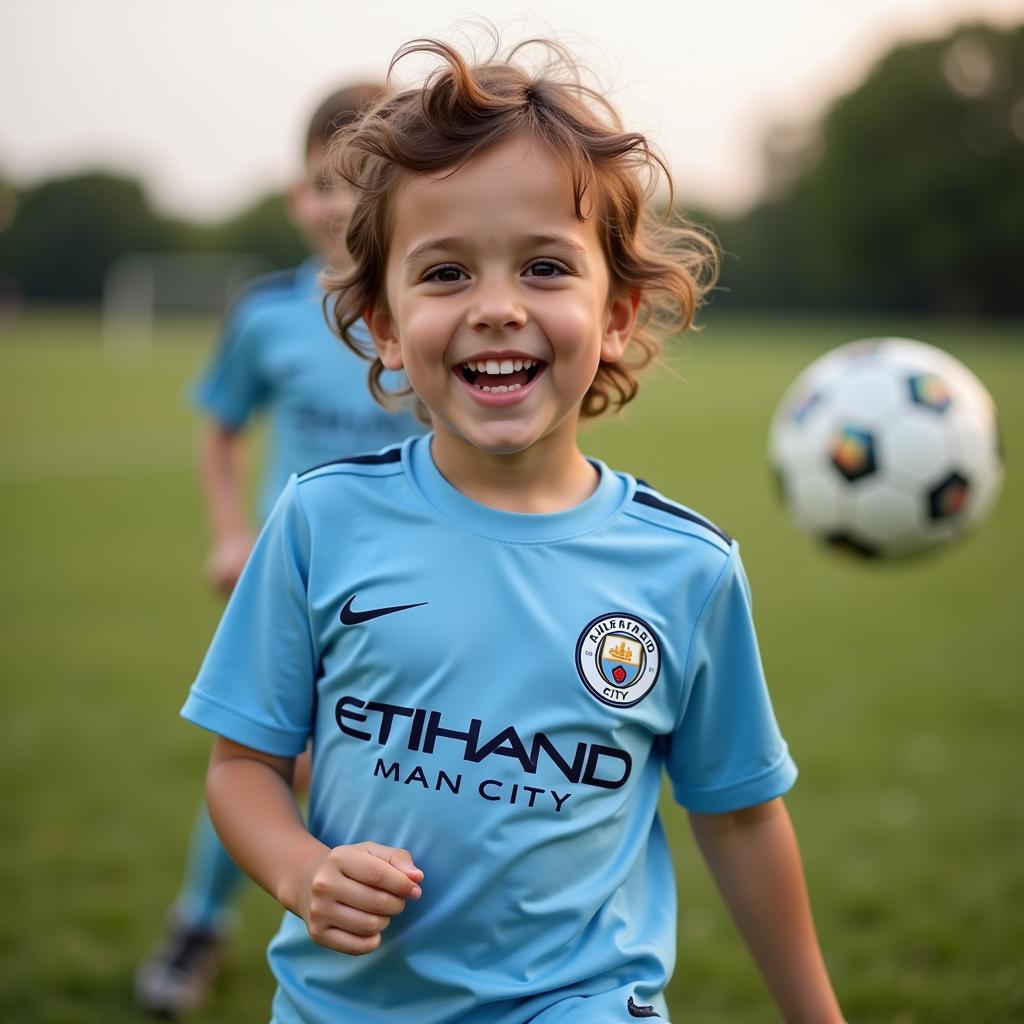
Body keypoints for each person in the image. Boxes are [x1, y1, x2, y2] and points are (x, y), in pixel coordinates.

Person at [181, 37, 846, 1024]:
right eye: (445, 274)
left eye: (542, 266)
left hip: (579, 1000)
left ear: (616, 313)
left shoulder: (684, 569)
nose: (496, 309)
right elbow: (243, 767)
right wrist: (301, 870)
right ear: (386, 324)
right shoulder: (321, 520)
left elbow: (743, 818)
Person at [135, 83, 424, 1018]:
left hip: (412, 593)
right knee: (264, 759)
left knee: (378, 767)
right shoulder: (265, 316)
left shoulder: (428, 304)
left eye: (359, 183)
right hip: (291, 589)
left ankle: (390, 928)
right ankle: (202, 924)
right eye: (317, 184)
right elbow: (219, 427)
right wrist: (229, 533)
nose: (336, 205)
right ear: (295, 197)